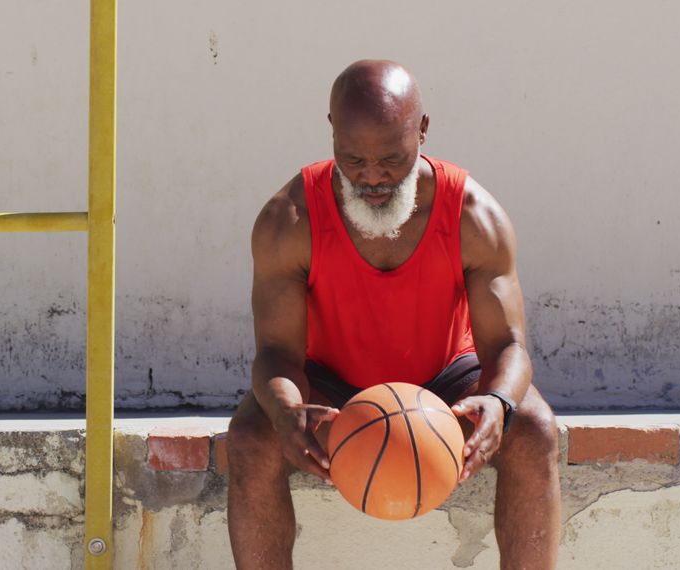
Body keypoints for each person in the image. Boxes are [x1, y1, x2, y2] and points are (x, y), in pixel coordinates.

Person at [227, 60, 561, 569]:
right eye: (353, 158)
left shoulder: (473, 215)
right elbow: (275, 353)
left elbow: (509, 347)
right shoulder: (288, 220)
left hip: (447, 383)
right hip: (331, 388)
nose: (372, 176)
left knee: (534, 426)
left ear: (422, 131)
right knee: (252, 436)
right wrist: (285, 412)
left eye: (391, 157)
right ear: (332, 131)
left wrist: (499, 404)